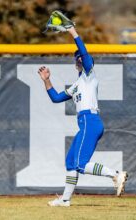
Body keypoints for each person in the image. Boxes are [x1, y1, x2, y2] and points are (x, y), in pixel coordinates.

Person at [37, 26, 128, 207]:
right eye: (76, 57)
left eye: (81, 57)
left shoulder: (89, 75)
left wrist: (73, 32)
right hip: (85, 124)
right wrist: (46, 80)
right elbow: (56, 98)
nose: (79, 58)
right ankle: (65, 199)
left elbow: (85, 55)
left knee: (80, 164)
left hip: (90, 121)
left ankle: (116, 174)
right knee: (71, 162)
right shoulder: (77, 84)